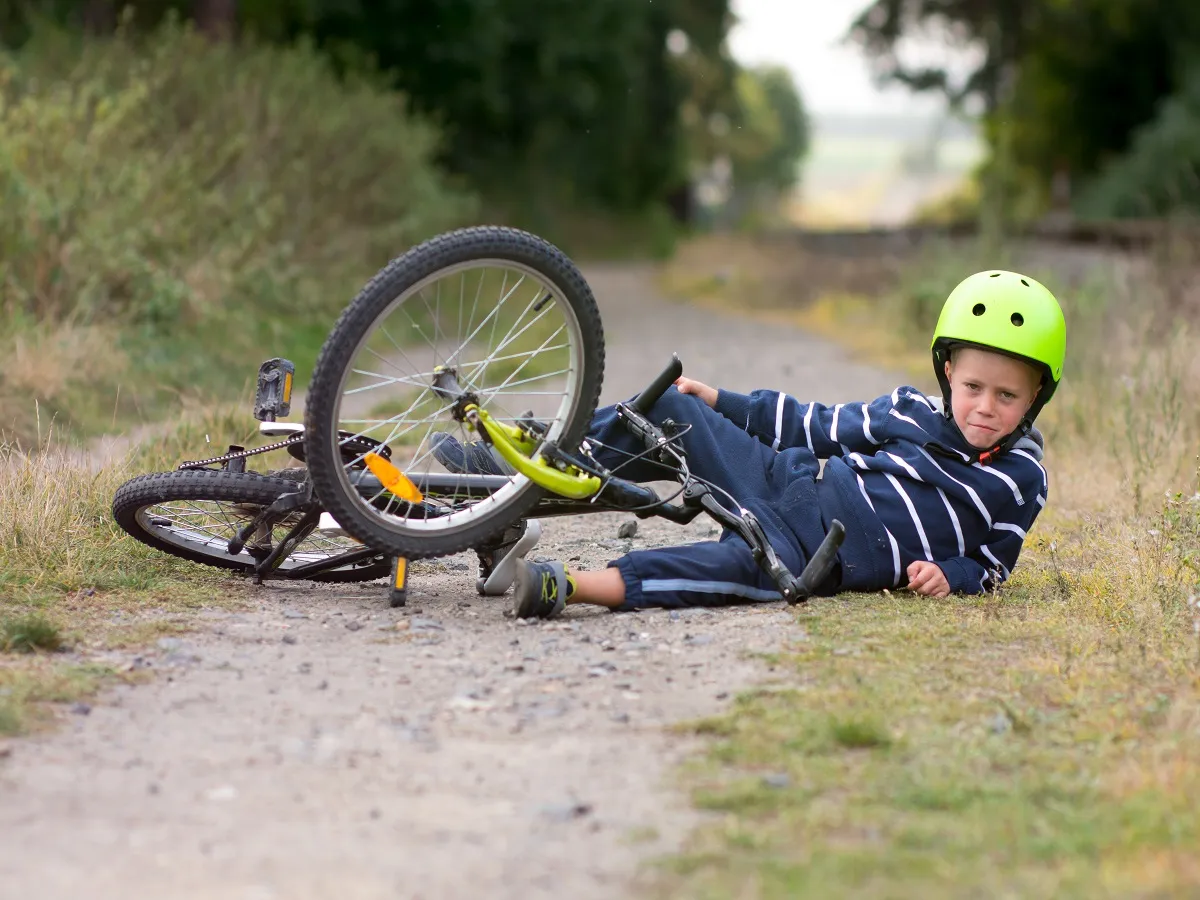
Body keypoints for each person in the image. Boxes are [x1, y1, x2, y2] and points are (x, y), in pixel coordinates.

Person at [432, 269, 1067, 619]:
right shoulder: (907, 410)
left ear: (1035, 397)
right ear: (948, 372)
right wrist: (726, 404)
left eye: (1007, 397)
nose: (986, 407)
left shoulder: (1020, 480)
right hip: (785, 478)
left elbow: (995, 562)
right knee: (676, 409)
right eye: (974, 386)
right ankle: (516, 469)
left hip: (811, 551)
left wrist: (949, 577)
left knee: (728, 574)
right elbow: (816, 423)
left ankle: (564, 585)